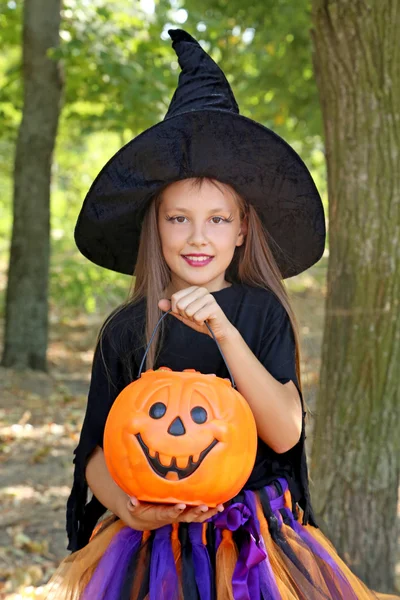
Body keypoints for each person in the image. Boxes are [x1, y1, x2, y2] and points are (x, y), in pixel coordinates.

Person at [44, 29, 399, 600]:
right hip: (148, 548)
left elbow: (284, 433)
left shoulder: (261, 314)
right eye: (178, 218)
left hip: (254, 544)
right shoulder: (127, 329)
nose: (197, 236)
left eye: (216, 219)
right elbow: (97, 452)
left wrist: (224, 332)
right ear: (154, 227)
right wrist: (126, 507)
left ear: (241, 231)